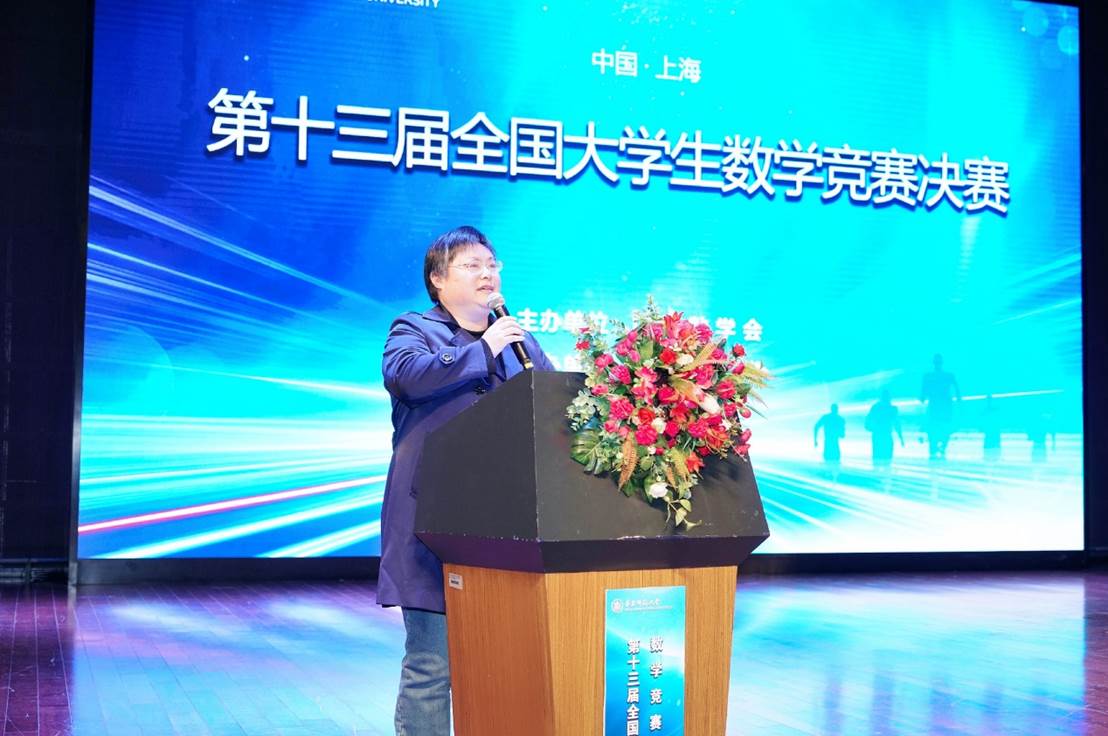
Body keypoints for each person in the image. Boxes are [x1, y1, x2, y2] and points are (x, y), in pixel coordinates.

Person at [378, 225, 555, 736]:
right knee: (433, 663)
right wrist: (483, 348)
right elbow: (407, 377)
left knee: (501, 661)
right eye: (472, 265)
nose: (487, 274)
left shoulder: (520, 342)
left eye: (492, 265)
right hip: (433, 523)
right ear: (438, 279)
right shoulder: (413, 329)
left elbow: (554, 404)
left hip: (508, 525)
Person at [864, 390, 904, 468]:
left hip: (877, 434)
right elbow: (897, 424)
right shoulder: (893, 409)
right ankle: (885, 471)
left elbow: (868, 420)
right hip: (886, 434)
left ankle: (877, 472)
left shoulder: (876, 407)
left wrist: (871, 428)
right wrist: (900, 437)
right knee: (887, 458)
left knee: (877, 457)